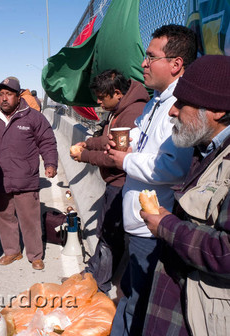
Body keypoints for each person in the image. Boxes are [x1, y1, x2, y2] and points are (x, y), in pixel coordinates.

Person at [106, 24, 197, 335]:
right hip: (138, 222)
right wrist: (124, 145)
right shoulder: (155, 103)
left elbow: (174, 167)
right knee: (130, 297)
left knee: (139, 304)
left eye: (151, 56)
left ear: (175, 64)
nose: (143, 63)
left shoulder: (180, 107)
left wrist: (126, 160)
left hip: (154, 228)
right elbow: (142, 142)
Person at [141, 55, 230, 336]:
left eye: (182, 103)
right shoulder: (205, 149)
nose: (172, 111)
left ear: (216, 111)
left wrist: (166, 226)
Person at [71, 69, 149, 293]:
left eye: (101, 97)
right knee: (105, 232)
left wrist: (84, 155)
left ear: (116, 93)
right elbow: (109, 141)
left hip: (121, 183)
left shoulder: (133, 111)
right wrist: (90, 142)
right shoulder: (120, 108)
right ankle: (93, 272)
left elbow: (115, 157)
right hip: (114, 183)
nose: (97, 101)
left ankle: (99, 284)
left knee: (110, 236)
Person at [0, 77, 58, 270]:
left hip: (25, 178)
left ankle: (35, 255)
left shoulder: (33, 117)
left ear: (18, 97)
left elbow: (47, 141)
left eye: (8, 94)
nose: (4, 98)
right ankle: (12, 251)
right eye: (1, 94)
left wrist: (50, 163)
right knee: (4, 216)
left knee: (29, 218)